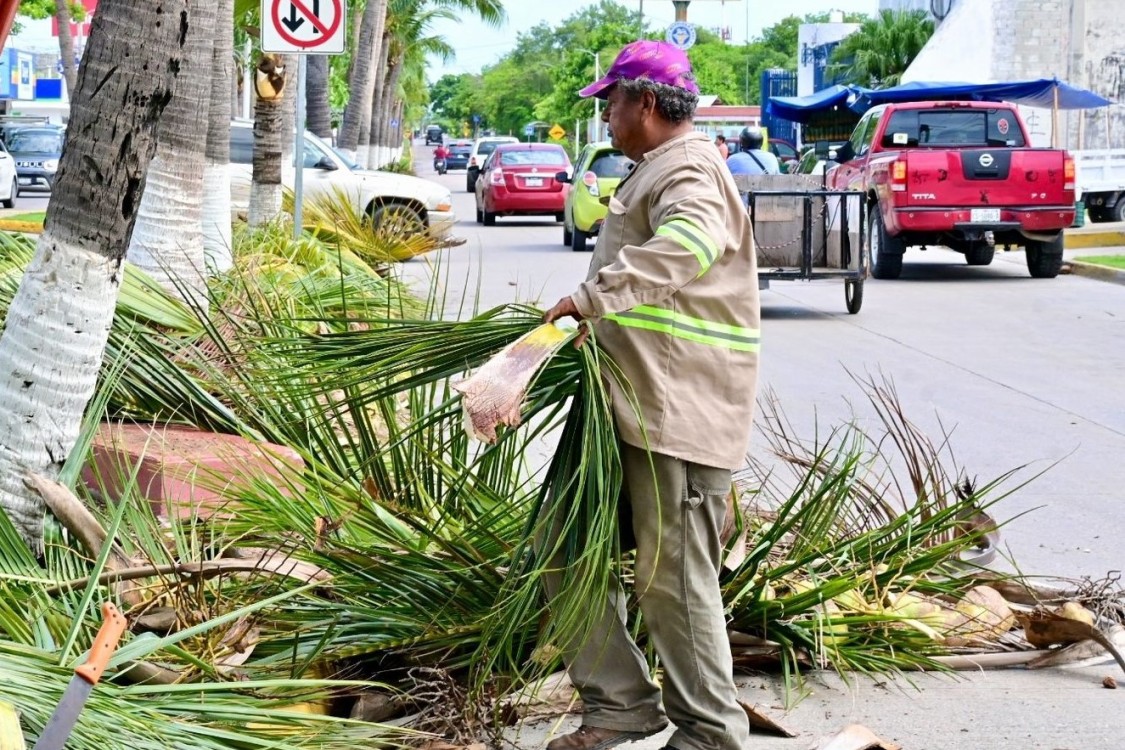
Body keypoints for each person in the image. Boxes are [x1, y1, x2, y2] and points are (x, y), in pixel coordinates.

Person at [541, 39, 760, 750]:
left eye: (609, 100)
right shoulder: (654, 168)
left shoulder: (689, 170)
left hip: (674, 411)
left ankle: (709, 734)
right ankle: (619, 705)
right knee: (560, 547)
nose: (603, 113)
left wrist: (588, 300)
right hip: (626, 406)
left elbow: (688, 247)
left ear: (643, 100)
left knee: (672, 581)